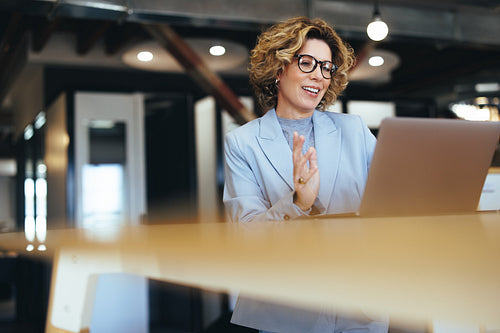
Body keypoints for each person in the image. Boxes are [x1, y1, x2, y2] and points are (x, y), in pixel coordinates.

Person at [223, 16, 388, 333]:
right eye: (308, 63)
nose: (320, 76)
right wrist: (298, 203)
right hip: (287, 309)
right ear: (279, 68)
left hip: (360, 304)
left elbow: (387, 199)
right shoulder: (242, 143)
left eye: (326, 68)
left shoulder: (353, 129)